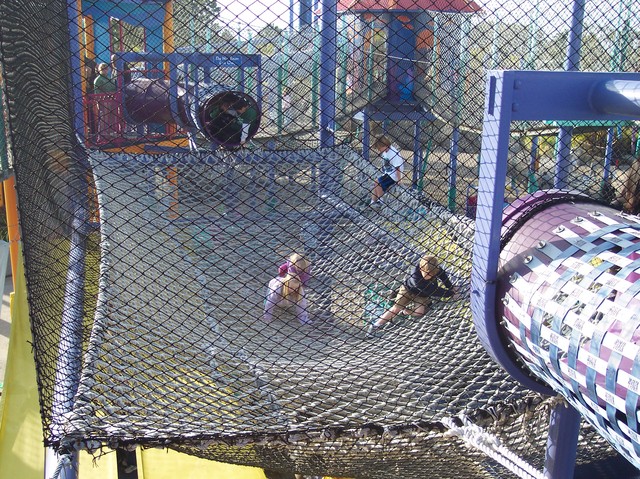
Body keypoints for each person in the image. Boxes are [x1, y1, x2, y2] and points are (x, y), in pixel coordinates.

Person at [367, 255, 455, 337]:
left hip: (421, 295)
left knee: (419, 312)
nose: (429, 276)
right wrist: (450, 293)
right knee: (395, 309)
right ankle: (376, 326)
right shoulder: (416, 276)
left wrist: (451, 288)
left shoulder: (435, 269)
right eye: (427, 274)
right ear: (421, 269)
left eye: (431, 275)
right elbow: (432, 290)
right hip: (408, 290)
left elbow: (444, 277)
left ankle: (405, 311)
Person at [264, 253, 311, 325]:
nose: (294, 290)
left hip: (292, 281)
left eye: (296, 288)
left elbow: (302, 305)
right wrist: (267, 317)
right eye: (292, 288)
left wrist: (303, 318)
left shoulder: (299, 289)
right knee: (273, 300)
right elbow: (270, 302)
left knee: (294, 298)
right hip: (274, 284)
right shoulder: (277, 288)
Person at [370, 135, 404, 206]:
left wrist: (399, 180)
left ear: (384, 145)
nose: (378, 150)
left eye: (379, 148)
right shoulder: (385, 151)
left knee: (377, 182)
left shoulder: (393, 153)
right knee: (375, 183)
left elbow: (398, 168)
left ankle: (381, 201)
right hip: (388, 173)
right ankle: (373, 202)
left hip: (394, 176)